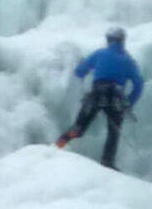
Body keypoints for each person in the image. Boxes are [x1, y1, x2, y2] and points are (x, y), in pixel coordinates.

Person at [57, 27, 143, 169]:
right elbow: (138, 85)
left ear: (109, 40)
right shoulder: (129, 61)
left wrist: (83, 65)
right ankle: (107, 162)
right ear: (122, 41)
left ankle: (58, 146)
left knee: (78, 128)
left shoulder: (100, 53)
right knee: (113, 132)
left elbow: (79, 72)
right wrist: (129, 102)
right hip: (116, 97)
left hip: (97, 93)